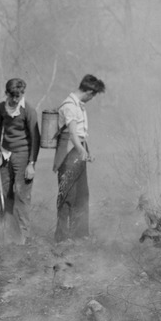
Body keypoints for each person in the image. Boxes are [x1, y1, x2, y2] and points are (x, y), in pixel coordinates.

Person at [53, 74, 106, 243]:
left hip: (79, 148)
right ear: (89, 92)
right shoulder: (70, 106)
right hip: (69, 152)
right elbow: (73, 135)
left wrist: (86, 151)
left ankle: (80, 234)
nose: (92, 99)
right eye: (93, 95)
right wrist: (82, 150)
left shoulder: (79, 106)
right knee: (67, 194)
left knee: (82, 194)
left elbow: (81, 136)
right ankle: (61, 237)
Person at [0, 78, 41, 245]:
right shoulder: (1, 108)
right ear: (7, 94)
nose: (15, 99)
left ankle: (23, 235)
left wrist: (31, 163)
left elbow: (36, 138)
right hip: (5, 154)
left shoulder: (28, 110)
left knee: (22, 194)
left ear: (22, 94)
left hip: (23, 154)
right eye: (12, 96)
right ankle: (5, 230)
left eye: (18, 96)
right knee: (3, 191)